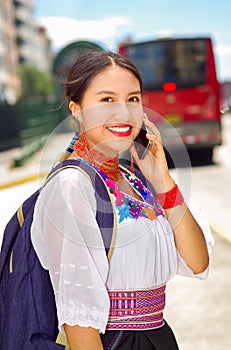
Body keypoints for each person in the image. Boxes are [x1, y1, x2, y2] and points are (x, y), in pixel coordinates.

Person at [31, 50, 214, 350]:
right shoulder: (71, 186)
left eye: (132, 99)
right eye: (106, 100)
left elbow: (197, 262)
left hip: (158, 337)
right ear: (77, 109)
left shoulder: (135, 182)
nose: (124, 113)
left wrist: (162, 179)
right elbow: (79, 322)